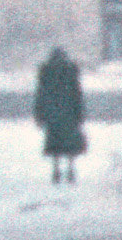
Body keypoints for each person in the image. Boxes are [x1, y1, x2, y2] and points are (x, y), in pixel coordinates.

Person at [32, 44, 88, 184]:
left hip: (53, 115)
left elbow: (41, 95)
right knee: (70, 145)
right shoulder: (70, 71)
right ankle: (70, 170)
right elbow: (77, 95)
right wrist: (80, 114)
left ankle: (56, 170)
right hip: (69, 114)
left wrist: (40, 115)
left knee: (55, 144)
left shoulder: (46, 72)